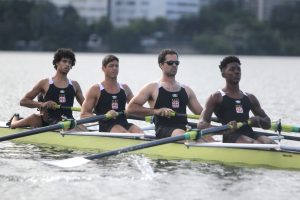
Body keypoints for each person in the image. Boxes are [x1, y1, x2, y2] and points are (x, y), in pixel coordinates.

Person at [127, 49, 207, 139]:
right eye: (170, 63)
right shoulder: (152, 87)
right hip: (164, 130)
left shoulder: (187, 90)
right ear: (161, 65)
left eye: (176, 63)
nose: (174, 65)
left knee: (209, 137)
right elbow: (130, 108)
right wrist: (156, 111)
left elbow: (202, 115)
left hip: (185, 129)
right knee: (187, 135)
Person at [198, 56, 275, 144]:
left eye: (238, 69)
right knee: (254, 144)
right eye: (232, 69)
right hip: (231, 136)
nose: (237, 72)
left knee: (271, 143)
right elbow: (201, 124)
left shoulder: (250, 97)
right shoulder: (216, 97)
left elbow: (268, 123)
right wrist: (224, 129)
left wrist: (259, 120)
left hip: (250, 133)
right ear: (223, 74)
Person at [8, 48, 85, 129]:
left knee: (82, 127)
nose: (67, 64)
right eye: (64, 61)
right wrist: (42, 104)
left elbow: (85, 106)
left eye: (70, 62)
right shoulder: (45, 83)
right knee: (19, 123)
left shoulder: (75, 85)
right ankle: (15, 118)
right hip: (49, 121)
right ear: (57, 62)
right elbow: (23, 101)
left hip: (68, 120)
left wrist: (96, 110)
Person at [80, 54, 142, 133]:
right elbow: (83, 114)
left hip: (124, 124)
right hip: (107, 127)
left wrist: (154, 113)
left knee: (140, 133)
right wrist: (104, 116)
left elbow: (135, 108)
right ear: (103, 68)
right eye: (111, 66)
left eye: (116, 66)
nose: (114, 68)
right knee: (124, 133)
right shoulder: (95, 89)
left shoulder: (125, 88)